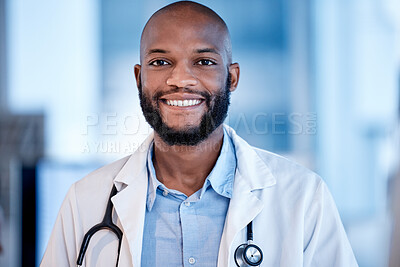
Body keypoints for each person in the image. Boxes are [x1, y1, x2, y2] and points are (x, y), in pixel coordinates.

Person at [41, 1, 358, 266]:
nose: (181, 79)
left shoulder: (303, 197)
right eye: (161, 61)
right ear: (139, 78)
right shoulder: (85, 201)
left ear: (231, 77)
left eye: (204, 61)